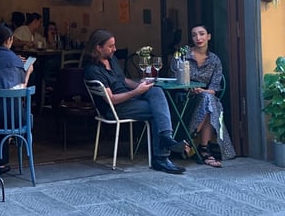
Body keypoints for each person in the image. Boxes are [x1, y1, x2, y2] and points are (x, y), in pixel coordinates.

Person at [82, 29, 191, 174]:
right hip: (114, 108)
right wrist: (136, 92)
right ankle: (161, 157)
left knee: (156, 91)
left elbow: (124, 80)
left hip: (129, 99)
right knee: (157, 111)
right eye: (111, 46)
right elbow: (111, 99)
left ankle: (166, 138)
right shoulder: (93, 70)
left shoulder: (111, 60)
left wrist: (141, 85)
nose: (115, 49)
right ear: (98, 47)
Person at [184, 24, 237, 167]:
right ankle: (204, 150)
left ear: (208, 36)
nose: (198, 38)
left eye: (201, 34)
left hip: (204, 96)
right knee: (211, 103)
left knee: (209, 100)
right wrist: (190, 89)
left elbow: (214, 88)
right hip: (185, 99)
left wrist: (202, 91)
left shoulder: (215, 60)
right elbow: (174, 78)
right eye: (194, 35)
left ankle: (190, 140)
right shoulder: (184, 55)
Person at [0, 24, 34, 174]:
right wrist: (28, 72)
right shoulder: (16, 60)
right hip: (17, 118)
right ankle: (7, 152)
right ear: (9, 40)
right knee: (13, 112)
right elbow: (22, 89)